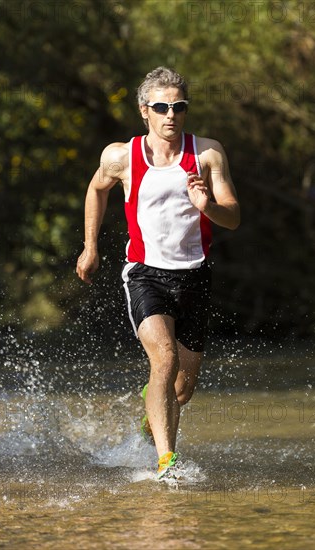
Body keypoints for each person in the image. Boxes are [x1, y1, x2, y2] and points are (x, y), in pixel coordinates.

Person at [76, 67, 240, 480]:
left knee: (180, 388)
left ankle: (152, 407)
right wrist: (91, 246)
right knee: (163, 357)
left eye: (179, 106)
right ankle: (168, 462)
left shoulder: (207, 154)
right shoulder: (120, 156)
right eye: (162, 107)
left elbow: (233, 217)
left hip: (194, 276)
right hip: (145, 274)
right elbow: (97, 189)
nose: (172, 114)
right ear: (144, 110)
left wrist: (208, 208)